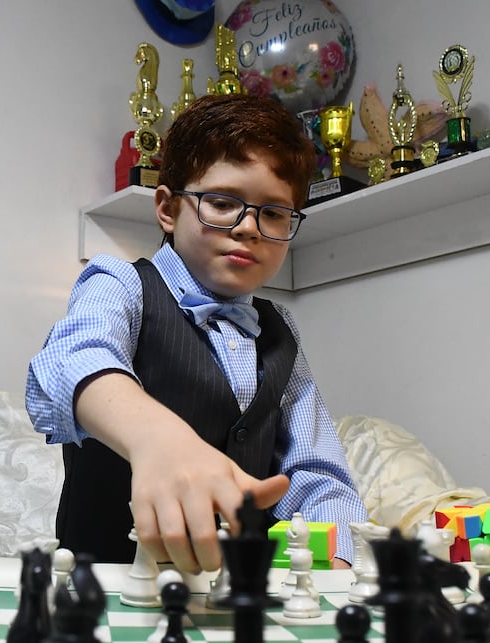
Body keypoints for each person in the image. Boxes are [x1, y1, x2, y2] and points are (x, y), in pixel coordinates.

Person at [26, 93, 366, 574]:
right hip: (111, 583)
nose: (249, 228)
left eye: (274, 213)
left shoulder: (279, 327)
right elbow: (70, 362)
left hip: (235, 594)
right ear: (167, 208)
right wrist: (155, 437)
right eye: (223, 203)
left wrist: (334, 562)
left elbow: (314, 471)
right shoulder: (120, 284)